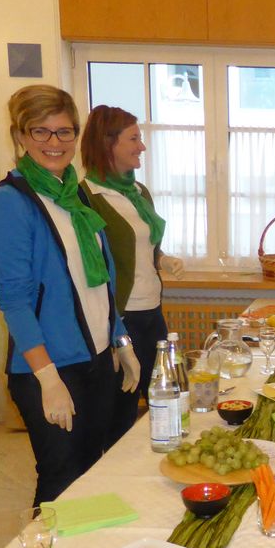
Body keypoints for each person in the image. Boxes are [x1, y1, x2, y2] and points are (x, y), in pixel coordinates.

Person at [0, 85, 140, 505]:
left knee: (91, 473)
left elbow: (99, 284)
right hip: (50, 368)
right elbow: (14, 299)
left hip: (97, 360)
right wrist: (48, 378)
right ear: (20, 135)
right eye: (41, 131)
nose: (54, 142)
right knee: (61, 480)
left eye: (64, 131)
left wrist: (121, 340)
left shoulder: (74, 195)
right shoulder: (11, 202)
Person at [79, 105, 185, 443]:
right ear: (107, 143)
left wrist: (162, 260)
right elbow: (91, 265)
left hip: (152, 311)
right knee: (120, 411)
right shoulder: (87, 198)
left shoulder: (139, 193)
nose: (142, 146)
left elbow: (143, 249)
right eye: (134, 139)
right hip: (121, 319)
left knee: (166, 400)